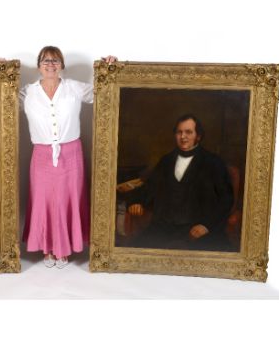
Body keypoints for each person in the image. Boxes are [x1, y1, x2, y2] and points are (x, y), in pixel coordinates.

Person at [20, 46, 116, 268]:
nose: (50, 64)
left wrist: (110, 69)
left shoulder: (74, 88)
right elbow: (2, 97)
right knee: (43, 200)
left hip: (71, 153)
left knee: (66, 199)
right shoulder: (27, 92)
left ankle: (63, 249)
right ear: (38, 66)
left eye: (55, 61)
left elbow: (104, 91)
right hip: (42, 154)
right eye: (46, 60)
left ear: (61, 65)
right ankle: (47, 248)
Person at [125, 114, 235, 251]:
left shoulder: (213, 162)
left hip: (197, 229)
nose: (183, 137)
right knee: (136, 251)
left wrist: (206, 226)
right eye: (179, 132)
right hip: (163, 228)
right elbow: (149, 187)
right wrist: (136, 201)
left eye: (188, 132)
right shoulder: (166, 161)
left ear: (198, 136)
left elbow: (226, 199)